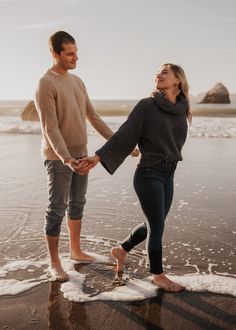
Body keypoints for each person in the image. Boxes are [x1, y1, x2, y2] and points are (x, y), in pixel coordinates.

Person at [77, 63, 192, 292]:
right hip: (149, 174)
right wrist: (99, 157)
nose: (158, 75)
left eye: (165, 72)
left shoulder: (182, 108)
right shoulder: (146, 106)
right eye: (158, 72)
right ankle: (158, 275)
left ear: (178, 79)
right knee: (157, 226)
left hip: (169, 174)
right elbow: (125, 134)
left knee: (154, 224)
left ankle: (121, 249)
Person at [35, 31, 114, 282]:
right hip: (59, 158)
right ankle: (54, 262)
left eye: (76, 52)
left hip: (81, 154)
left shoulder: (78, 82)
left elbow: (93, 116)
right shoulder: (45, 83)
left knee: (78, 203)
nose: (75, 57)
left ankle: (76, 251)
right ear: (55, 54)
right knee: (57, 208)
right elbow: (51, 127)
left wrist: (117, 144)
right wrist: (67, 159)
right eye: (69, 53)